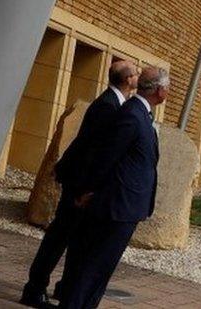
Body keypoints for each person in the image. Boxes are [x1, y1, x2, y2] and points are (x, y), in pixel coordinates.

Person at [20, 60, 139, 308]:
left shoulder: (114, 103)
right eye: (136, 73)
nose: (138, 77)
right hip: (78, 184)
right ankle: (34, 289)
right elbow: (90, 152)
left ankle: (65, 287)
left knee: (75, 238)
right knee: (59, 237)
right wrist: (85, 190)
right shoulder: (107, 106)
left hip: (81, 183)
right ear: (128, 80)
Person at [58, 66, 167, 309]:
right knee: (93, 269)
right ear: (160, 91)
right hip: (115, 206)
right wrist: (88, 191)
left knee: (100, 271)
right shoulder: (131, 114)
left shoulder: (141, 113)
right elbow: (106, 157)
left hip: (124, 207)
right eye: (166, 88)